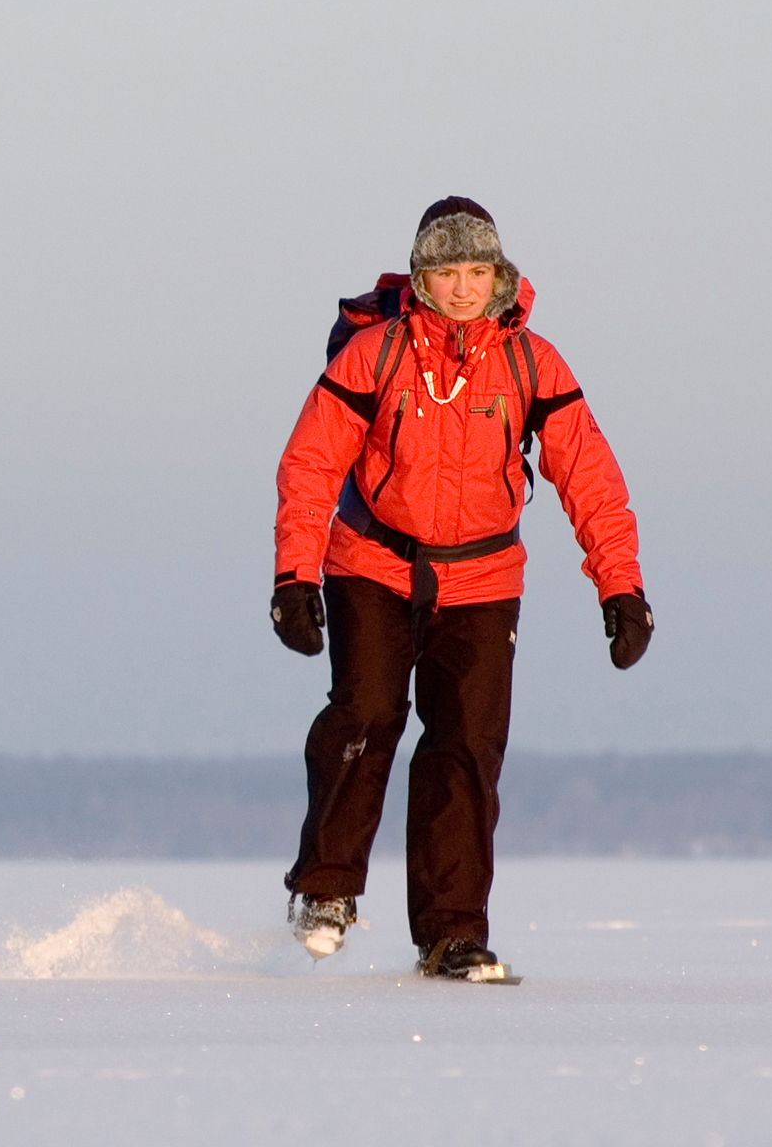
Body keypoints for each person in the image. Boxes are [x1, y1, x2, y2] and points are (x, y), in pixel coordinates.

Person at [270, 197, 651, 978]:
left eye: (479, 272)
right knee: (367, 714)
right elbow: (311, 464)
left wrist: (621, 587)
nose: (465, 288)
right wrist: (292, 577)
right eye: (449, 273)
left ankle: (451, 934)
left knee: (466, 749)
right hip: (372, 563)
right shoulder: (373, 355)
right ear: (422, 278)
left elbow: (590, 475)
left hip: (482, 577)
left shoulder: (532, 363)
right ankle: (326, 889)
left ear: (500, 276)